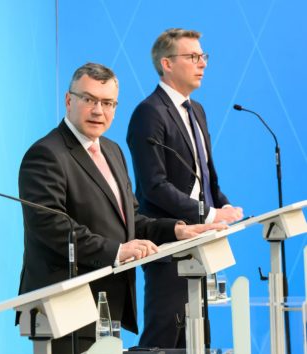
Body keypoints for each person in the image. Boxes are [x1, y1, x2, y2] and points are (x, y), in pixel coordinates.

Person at [18, 62, 226, 353]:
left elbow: (132, 222)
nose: (98, 111)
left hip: (108, 299)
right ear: (68, 100)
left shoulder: (113, 151)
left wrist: (177, 229)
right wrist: (117, 251)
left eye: (107, 103)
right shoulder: (46, 154)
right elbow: (52, 228)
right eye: (88, 99)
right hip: (65, 305)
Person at [126, 28, 243, 348]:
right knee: (165, 338)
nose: (202, 63)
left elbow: (205, 175)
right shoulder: (148, 113)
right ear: (166, 63)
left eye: (203, 56)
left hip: (201, 246)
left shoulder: (198, 110)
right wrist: (207, 214)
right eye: (192, 57)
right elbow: (154, 186)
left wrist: (224, 206)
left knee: (197, 339)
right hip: (169, 245)